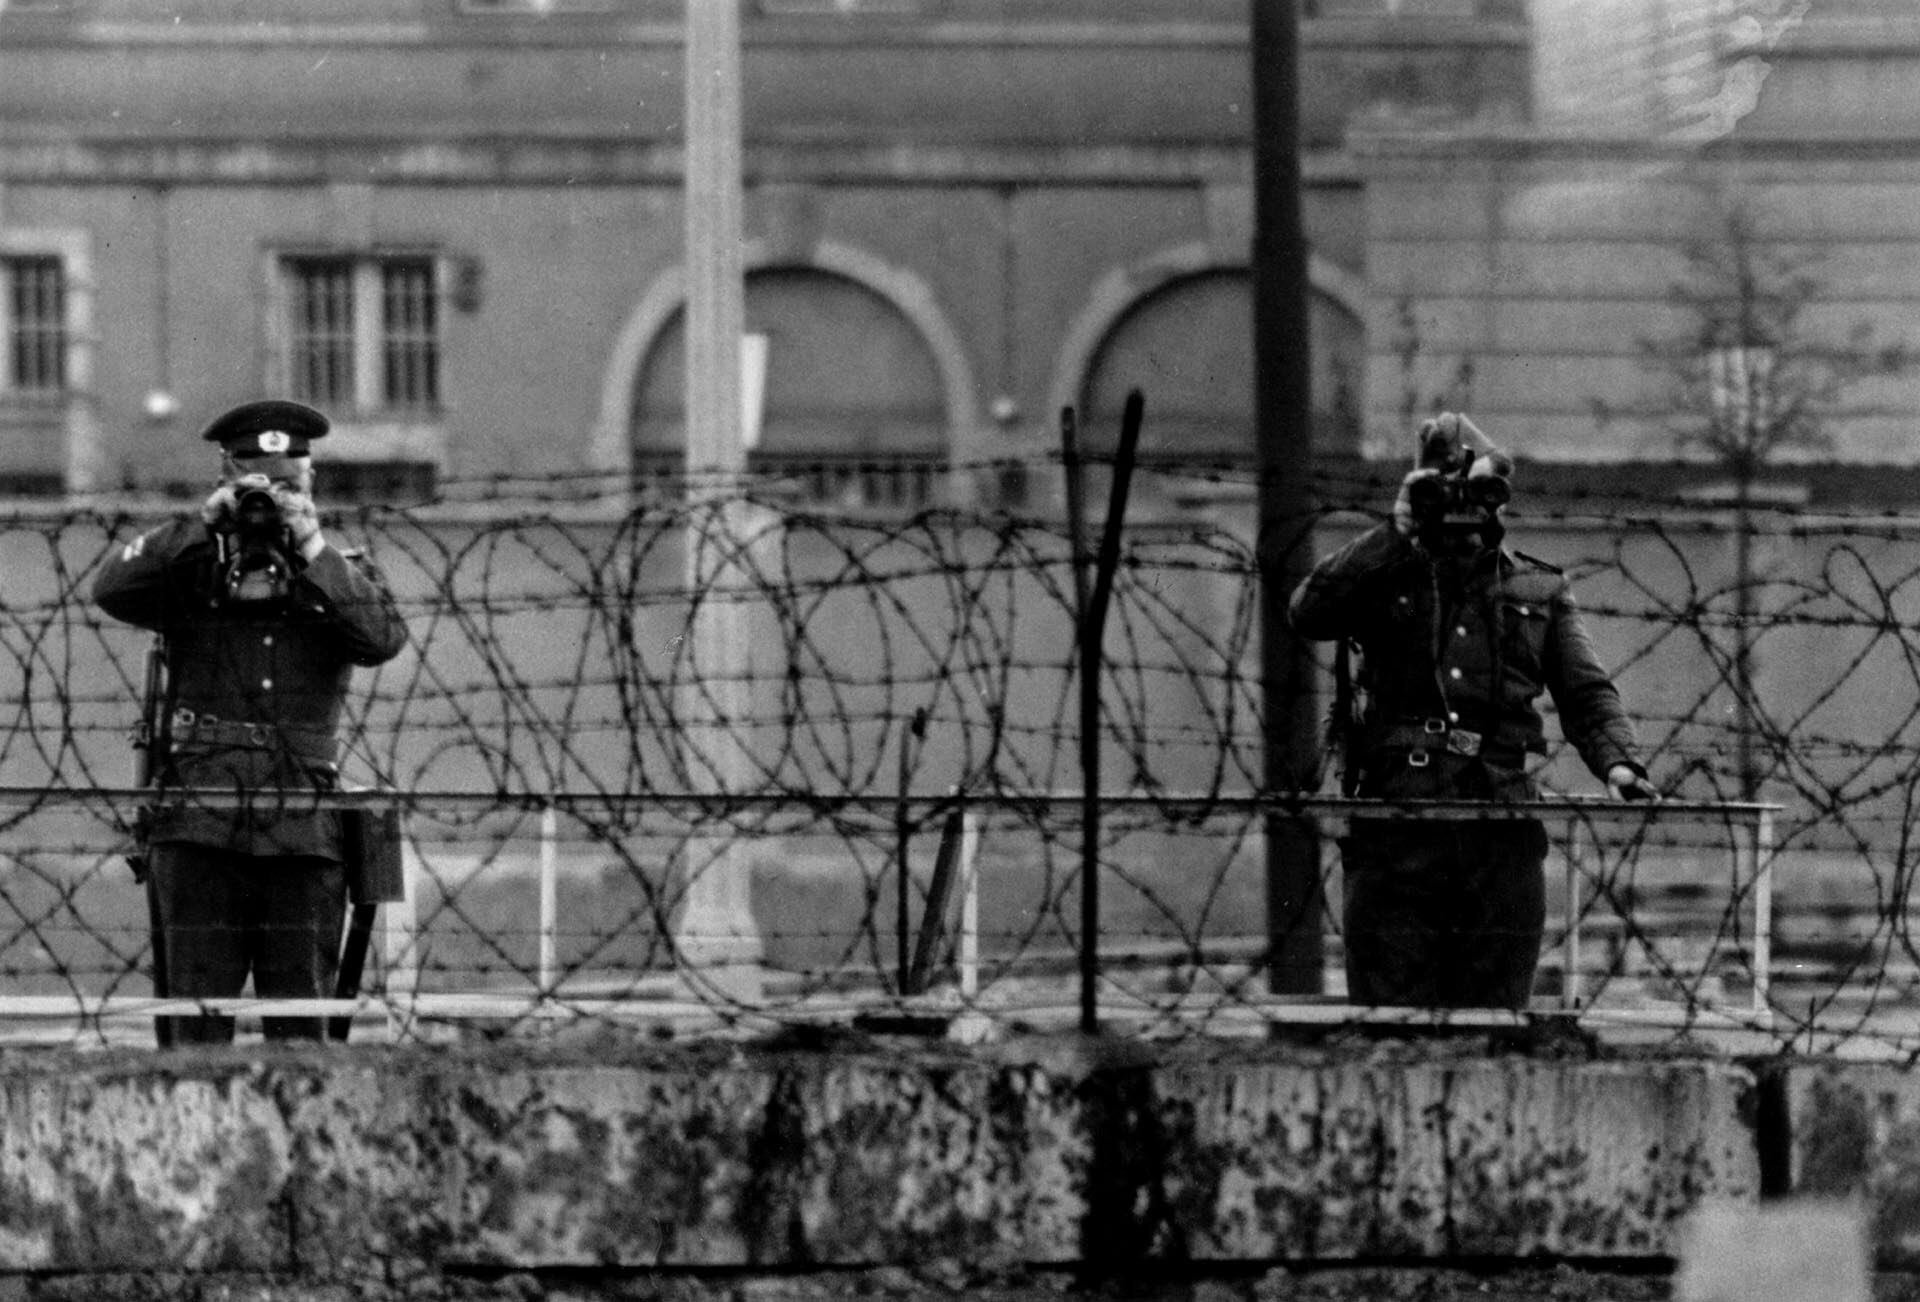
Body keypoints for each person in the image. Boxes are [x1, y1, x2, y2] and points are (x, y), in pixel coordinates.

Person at [1289, 412, 1659, 1010]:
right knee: (1391, 1026)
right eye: (1449, 492)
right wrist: (1396, 528)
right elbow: (1307, 613)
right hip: (1396, 832)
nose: (1469, 509)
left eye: (1485, 491)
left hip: (1501, 832)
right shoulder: (1382, 575)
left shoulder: (1538, 589)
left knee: (1494, 1023)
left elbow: (1587, 694)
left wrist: (1620, 764)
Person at [94, 399, 407, 1044]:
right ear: (224, 478)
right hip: (199, 824)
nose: (271, 500)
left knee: (303, 1035)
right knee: (193, 1035)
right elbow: (111, 590)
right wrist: (202, 529)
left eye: (288, 485)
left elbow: (382, 639)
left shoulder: (340, 570)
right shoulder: (191, 567)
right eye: (255, 485)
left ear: (311, 483)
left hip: (302, 830)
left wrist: (313, 545)